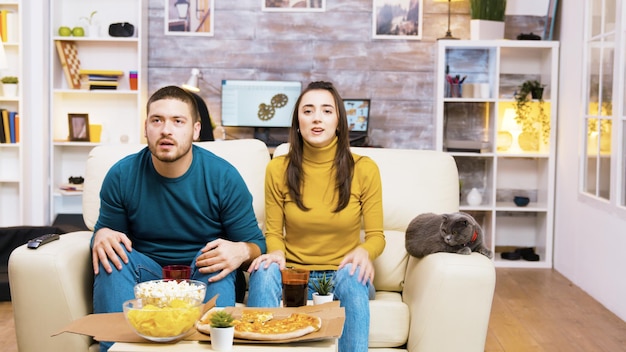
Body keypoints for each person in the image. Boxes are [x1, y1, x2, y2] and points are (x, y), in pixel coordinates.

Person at [91, 85, 266, 351]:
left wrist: (240, 250)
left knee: (220, 263)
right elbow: (110, 235)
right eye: (157, 120)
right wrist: (101, 234)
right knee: (111, 257)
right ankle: (114, 346)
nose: (166, 130)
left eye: (178, 121)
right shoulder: (122, 175)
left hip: (204, 270)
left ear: (195, 130)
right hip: (146, 276)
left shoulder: (223, 177)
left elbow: (257, 245)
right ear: (146, 127)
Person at [247, 81, 385, 352]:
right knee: (263, 272)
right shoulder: (278, 169)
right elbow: (273, 232)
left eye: (326, 111)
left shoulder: (364, 169)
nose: (317, 118)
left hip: (344, 276)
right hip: (295, 276)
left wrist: (365, 252)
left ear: (339, 121)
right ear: (298, 121)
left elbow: (377, 237)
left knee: (351, 274)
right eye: (308, 111)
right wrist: (275, 254)